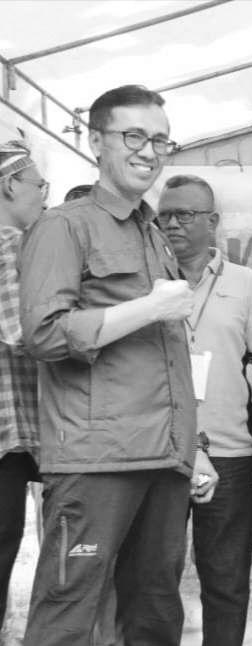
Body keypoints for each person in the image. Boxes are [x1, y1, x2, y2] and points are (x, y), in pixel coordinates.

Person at [18, 84, 218, 646]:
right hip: (96, 460)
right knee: (67, 618)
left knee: (154, 619)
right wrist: (148, 307)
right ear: (95, 141)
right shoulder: (64, 225)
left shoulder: (153, 233)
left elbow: (165, 355)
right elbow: (44, 333)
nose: (148, 151)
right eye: (133, 136)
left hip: (165, 459)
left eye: (160, 140)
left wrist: (192, 446)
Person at [159, 174, 252, 646]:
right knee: (153, 580)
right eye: (165, 215)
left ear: (213, 222)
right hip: (159, 453)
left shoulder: (248, 285)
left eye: (184, 214)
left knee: (226, 582)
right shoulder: (145, 282)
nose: (172, 224)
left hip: (230, 453)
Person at [0, 141, 45, 636]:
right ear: (12, 185)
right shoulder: (11, 244)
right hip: (11, 428)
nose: (43, 196)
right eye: (39, 185)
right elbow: (26, 334)